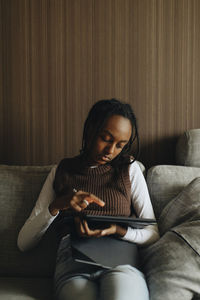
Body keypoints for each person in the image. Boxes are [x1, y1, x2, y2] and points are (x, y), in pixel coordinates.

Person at [17, 99, 159, 300]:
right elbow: (24, 243)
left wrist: (118, 231)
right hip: (73, 264)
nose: (110, 151)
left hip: (121, 260)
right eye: (105, 138)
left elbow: (153, 233)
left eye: (120, 145)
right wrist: (58, 205)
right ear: (90, 129)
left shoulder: (129, 169)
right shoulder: (62, 170)